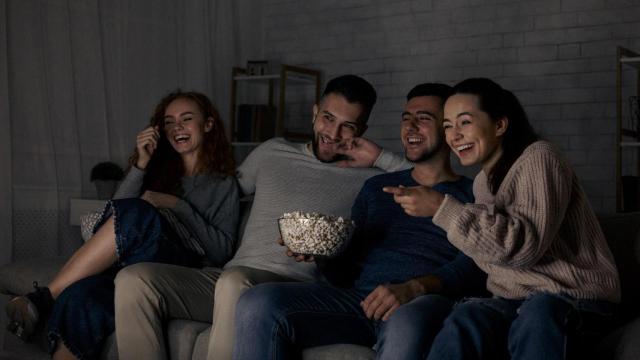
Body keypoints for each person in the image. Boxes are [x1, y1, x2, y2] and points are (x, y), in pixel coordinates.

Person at [113, 75, 410, 360]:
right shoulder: (272, 151)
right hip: (230, 274)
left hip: (291, 288)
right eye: (328, 118)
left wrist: (379, 157)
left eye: (348, 126)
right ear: (315, 112)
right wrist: (142, 168)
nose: (332, 134)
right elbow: (214, 194)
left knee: (234, 283)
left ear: (363, 129)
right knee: (133, 280)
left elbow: (430, 184)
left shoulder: (369, 178)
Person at [232, 83, 487, 360]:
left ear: (448, 129)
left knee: (407, 321)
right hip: (359, 301)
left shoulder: (472, 194)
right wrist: (321, 253)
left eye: (424, 118)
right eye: (406, 118)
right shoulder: (376, 187)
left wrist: (414, 287)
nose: (411, 126)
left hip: (421, 302)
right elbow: (344, 272)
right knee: (257, 302)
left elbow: (478, 264)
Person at [385, 78, 621, 360]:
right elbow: (492, 255)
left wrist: (441, 209)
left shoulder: (540, 156)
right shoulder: (483, 183)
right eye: (447, 126)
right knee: (466, 317)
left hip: (573, 298)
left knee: (538, 312)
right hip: (513, 300)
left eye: (465, 122)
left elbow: (524, 248)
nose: (454, 135)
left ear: (499, 125)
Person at [5, 90, 239, 360]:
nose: (177, 128)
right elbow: (114, 217)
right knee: (80, 295)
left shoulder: (223, 184)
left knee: (140, 211)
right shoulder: (158, 172)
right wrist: (141, 163)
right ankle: (54, 302)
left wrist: (176, 205)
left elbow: (222, 251)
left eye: (187, 119)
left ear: (208, 125)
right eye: (169, 122)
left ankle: (43, 298)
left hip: (178, 265)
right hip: (130, 267)